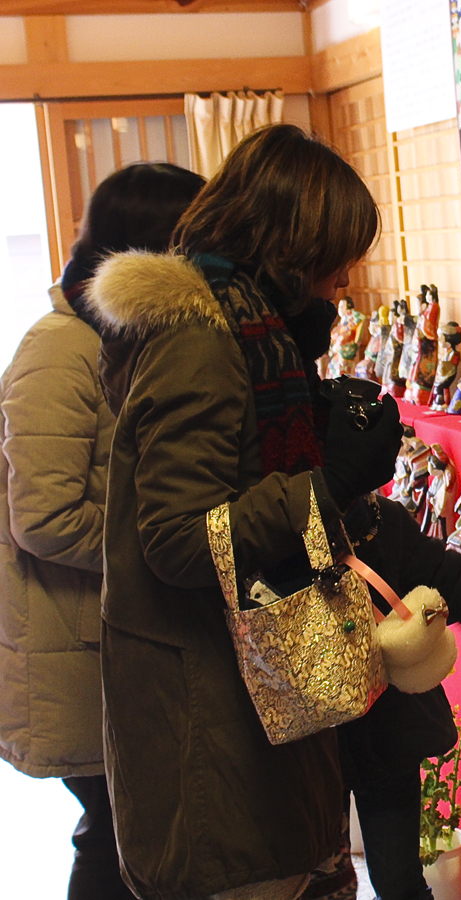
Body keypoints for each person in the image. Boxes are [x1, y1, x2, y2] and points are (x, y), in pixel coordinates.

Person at [89, 125, 461, 900]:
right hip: (215, 723)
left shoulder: (256, 336)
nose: (344, 282)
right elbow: (178, 542)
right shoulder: (202, 342)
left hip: (260, 708)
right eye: (336, 260)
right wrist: (327, 482)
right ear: (290, 249)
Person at [0, 162, 204, 900]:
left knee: (130, 835)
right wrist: (162, 547)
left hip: (108, 634)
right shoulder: (59, 347)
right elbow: (44, 518)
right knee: (119, 839)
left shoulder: (118, 336)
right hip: (73, 644)